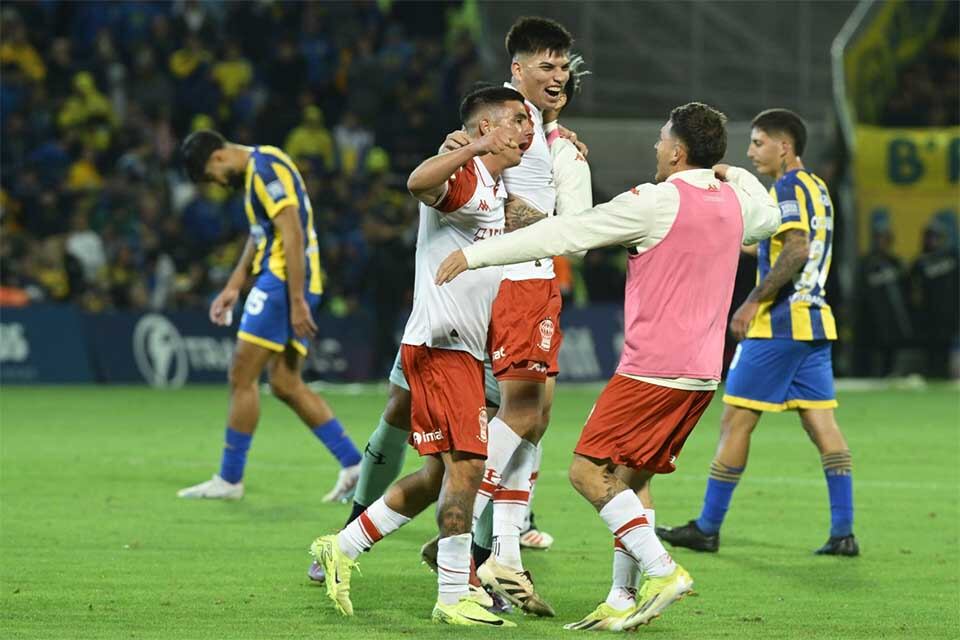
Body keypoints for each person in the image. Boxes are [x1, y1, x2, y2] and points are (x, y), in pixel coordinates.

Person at [435, 102, 780, 630]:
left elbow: (567, 235)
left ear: (677, 151)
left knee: (586, 472)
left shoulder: (654, 202)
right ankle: (621, 597)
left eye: (662, 138)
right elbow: (770, 217)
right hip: (703, 374)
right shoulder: (734, 199)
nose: (655, 146)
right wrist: (730, 170)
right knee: (633, 479)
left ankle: (661, 569)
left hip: (651, 371)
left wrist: (478, 255)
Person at [309, 85, 532, 627]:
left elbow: (540, 224)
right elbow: (417, 182)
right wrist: (463, 151)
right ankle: (455, 591)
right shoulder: (466, 174)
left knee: (439, 476)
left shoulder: (496, 188)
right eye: (518, 120)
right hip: (442, 346)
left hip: (460, 349)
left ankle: (342, 546)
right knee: (471, 466)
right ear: (486, 129)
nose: (528, 129)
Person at [656, 108, 861, 557]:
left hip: (780, 323)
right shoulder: (817, 188)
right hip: (814, 321)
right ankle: (843, 532)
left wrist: (750, 303)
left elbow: (796, 248)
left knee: (734, 421)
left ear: (783, 146)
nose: (751, 151)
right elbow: (779, 241)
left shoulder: (786, 186)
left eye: (757, 143)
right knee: (823, 424)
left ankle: (707, 527)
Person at [176, 130, 362, 502]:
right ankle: (355, 465)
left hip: (282, 282)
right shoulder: (259, 169)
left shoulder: (264, 171)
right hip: (286, 280)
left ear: (217, 158)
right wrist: (234, 284)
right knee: (285, 382)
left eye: (211, 178)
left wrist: (295, 299)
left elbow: (291, 231)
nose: (216, 184)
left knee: (241, 374)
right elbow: (262, 233)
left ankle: (229, 480)